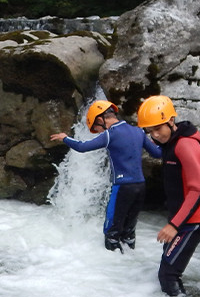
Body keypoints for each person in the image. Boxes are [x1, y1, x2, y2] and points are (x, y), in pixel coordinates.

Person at [50, 100, 163, 252]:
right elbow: (157, 153)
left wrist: (65, 138)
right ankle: (129, 262)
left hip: (122, 187)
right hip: (141, 186)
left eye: (96, 127)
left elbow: (82, 147)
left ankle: (112, 260)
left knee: (112, 230)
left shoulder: (110, 135)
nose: (98, 131)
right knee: (129, 231)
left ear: (100, 119)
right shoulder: (139, 131)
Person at [137, 95, 200, 296]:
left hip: (193, 220)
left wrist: (174, 225)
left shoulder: (185, 145)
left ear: (171, 121)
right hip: (181, 218)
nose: (155, 135)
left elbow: (198, 189)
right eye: (150, 131)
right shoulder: (170, 143)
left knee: (168, 274)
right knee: (168, 269)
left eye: (158, 129)